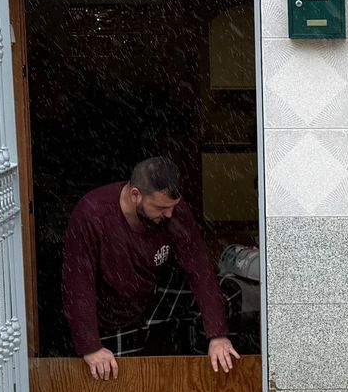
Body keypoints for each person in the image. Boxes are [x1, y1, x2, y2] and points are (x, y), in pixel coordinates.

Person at [62, 157, 240, 380]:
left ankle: (205, 374)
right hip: (112, 312)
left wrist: (217, 334)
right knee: (117, 380)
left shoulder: (172, 210)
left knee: (228, 292)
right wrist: (90, 346)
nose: (169, 214)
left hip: (155, 294)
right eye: (161, 208)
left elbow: (200, 267)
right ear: (135, 194)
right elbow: (77, 285)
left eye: (173, 207)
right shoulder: (92, 213)